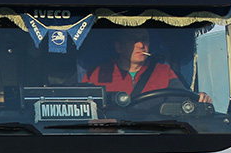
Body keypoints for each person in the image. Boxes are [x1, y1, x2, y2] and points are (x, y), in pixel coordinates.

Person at [82, 31, 211, 103]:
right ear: (119, 47)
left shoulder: (163, 71)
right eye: (132, 39)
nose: (140, 44)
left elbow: (183, 98)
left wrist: (199, 97)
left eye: (144, 39)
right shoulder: (97, 74)